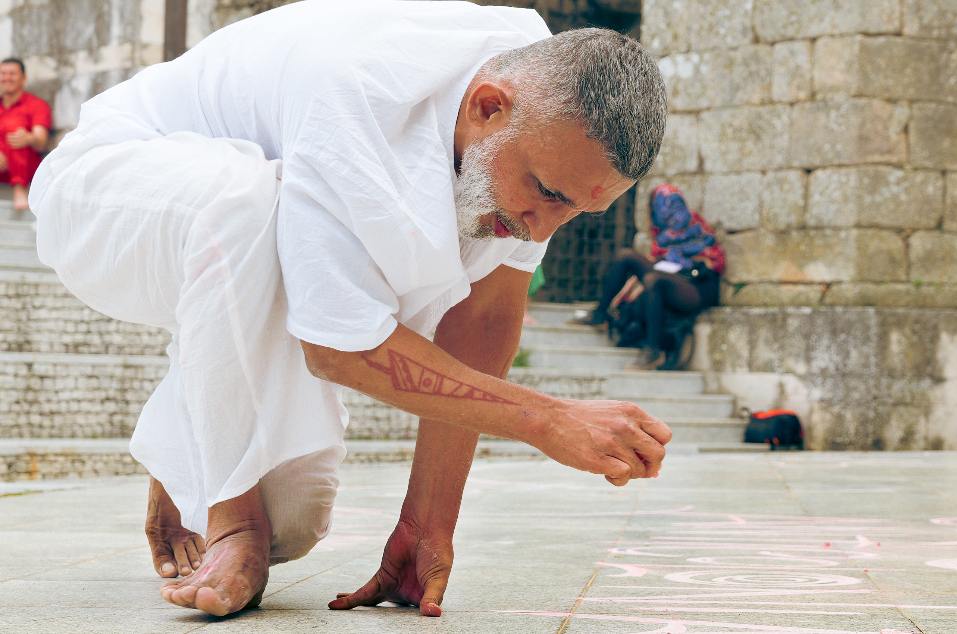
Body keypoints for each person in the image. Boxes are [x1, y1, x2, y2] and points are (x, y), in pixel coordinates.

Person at [28, 0, 671, 620]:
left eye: (572, 212)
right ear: (486, 108)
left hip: (252, 239)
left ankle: (203, 461)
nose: (540, 231)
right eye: (547, 195)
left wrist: (428, 524)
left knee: (297, 526)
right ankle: (229, 514)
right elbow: (337, 348)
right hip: (109, 191)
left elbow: (483, 317)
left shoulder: (541, 112)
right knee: (246, 201)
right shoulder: (359, 91)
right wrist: (547, 420)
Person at [574, 184, 724, 370]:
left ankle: (653, 351)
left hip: (696, 287)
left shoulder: (698, 230)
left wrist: (686, 262)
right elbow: (661, 259)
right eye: (664, 208)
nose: (671, 213)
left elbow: (712, 264)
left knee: (654, 280)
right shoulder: (662, 237)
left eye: (674, 206)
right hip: (668, 275)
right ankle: (600, 314)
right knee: (626, 257)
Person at [0, 57, 51, 212]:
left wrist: (28, 137)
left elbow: (41, 141)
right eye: (3, 73)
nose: (7, 78)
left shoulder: (37, 105)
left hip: (26, 166)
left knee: (16, 133)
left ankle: (19, 189)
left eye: (12, 74)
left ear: (23, 78)